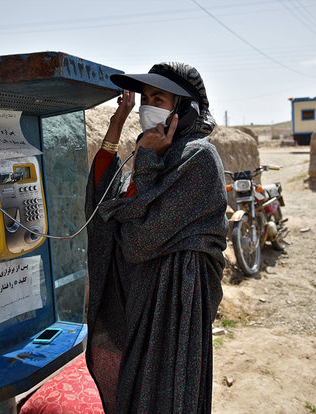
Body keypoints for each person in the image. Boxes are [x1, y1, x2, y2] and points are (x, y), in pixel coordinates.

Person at [85, 62, 228, 413]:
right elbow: (103, 206)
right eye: (145, 97)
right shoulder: (154, 153)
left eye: (158, 98)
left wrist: (148, 158)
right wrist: (116, 127)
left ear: (184, 109)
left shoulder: (198, 158)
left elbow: (138, 241)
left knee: (165, 397)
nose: (147, 105)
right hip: (135, 301)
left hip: (173, 312)